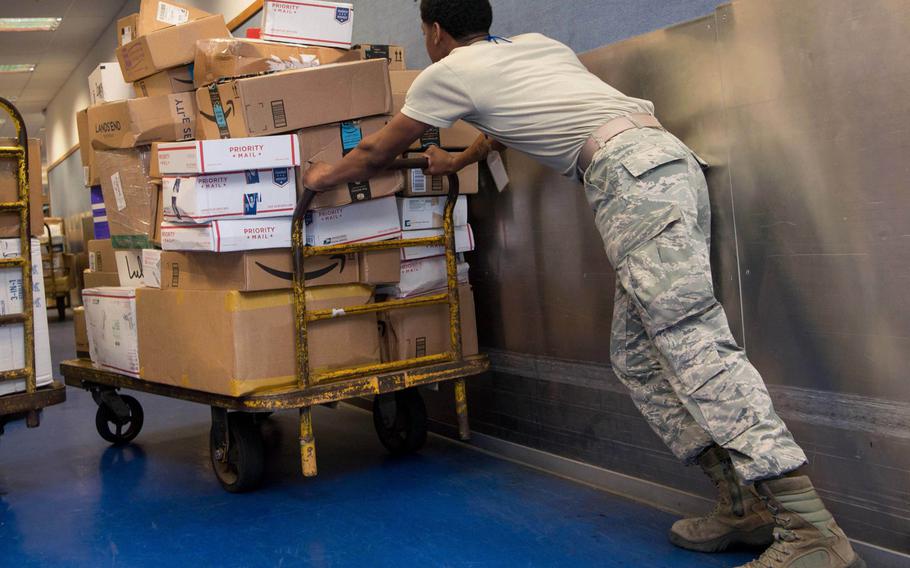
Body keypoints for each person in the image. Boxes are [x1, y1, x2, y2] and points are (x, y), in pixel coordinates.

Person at [301, 2, 865, 566]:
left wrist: (318, 175)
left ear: (433, 30)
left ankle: (810, 528)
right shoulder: (538, 47)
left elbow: (378, 151)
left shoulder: (446, 72)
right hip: (663, 166)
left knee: (694, 347)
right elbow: (511, 127)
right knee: (638, 356)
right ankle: (742, 504)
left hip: (632, 180)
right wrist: (461, 157)